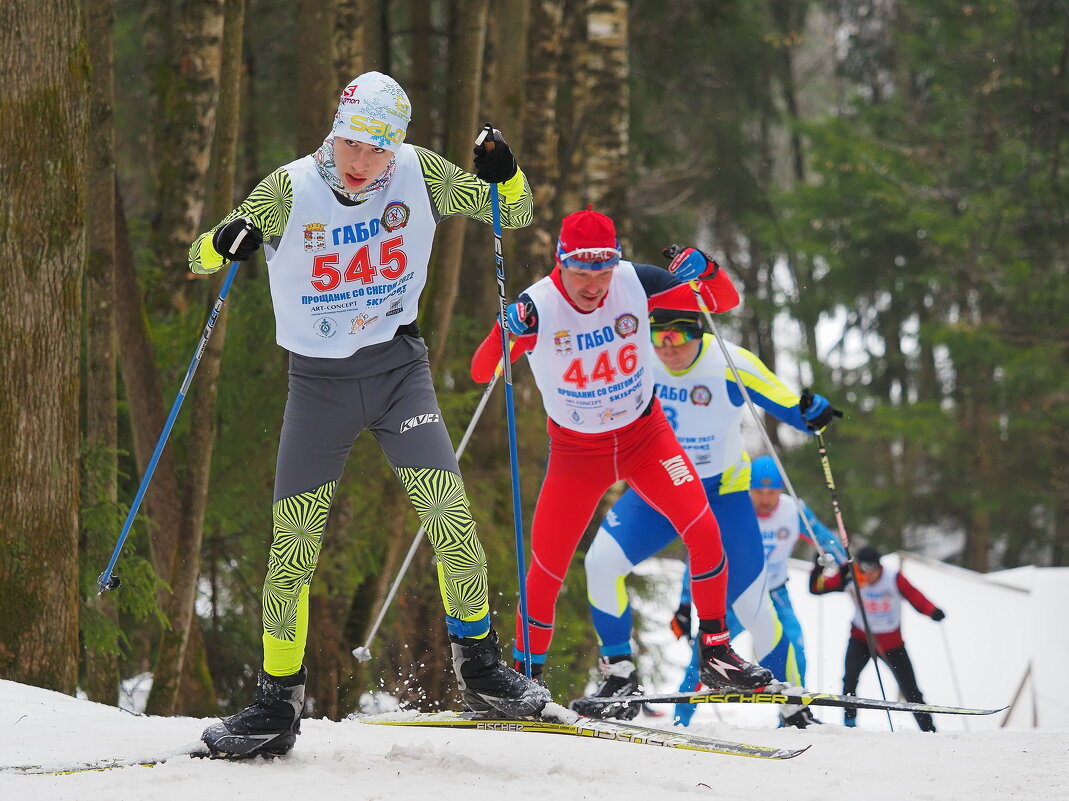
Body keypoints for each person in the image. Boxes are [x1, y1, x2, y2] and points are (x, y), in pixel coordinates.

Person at [189, 71, 549, 758]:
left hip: (396, 372)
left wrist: (507, 176)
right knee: (291, 549)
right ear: (335, 129)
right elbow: (200, 257)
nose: (360, 163)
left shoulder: (420, 173)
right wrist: (223, 239)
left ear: (397, 148)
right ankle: (275, 702)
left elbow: (516, 212)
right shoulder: (289, 186)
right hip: (318, 386)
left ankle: (479, 668)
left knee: (450, 518)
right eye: (352, 143)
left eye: (376, 151)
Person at [469, 209, 775, 706]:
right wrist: (503, 329)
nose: (593, 286)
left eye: (603, 271)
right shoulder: (540, 306)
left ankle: (716, 653)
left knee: (703, 531)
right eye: (582, 273)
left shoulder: (637, 282)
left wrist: (707, 269)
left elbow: (724, 301)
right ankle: (525, 678)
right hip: (577, 453)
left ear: (616, 262)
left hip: (646, 439)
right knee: (547, 567)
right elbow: (484, 372)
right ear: (560, 262)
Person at [578, 309, 842, 727]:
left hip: (722, 495)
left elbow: (790, 405)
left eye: (679, 337)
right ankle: (621, 676)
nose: (669, 348)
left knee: (754, 609)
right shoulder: (637, 356)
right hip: (658, 488)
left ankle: (793, 705)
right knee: (600, 563)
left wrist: (810, 413)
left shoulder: (728, 362)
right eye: (659, 337)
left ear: (698, 333)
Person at [810, 545, 945, 731]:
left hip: (891, 643)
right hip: (861, 638)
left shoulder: (893, 577)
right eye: (864, 570)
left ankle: (929, 729)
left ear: (879, 566)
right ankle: (849, 724)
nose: (869, 575)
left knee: (910, 688)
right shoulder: (851, 576)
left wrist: (932, 611)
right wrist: (818, 567)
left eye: (872, 569)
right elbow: (816, 588)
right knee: (850, 680)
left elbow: (915, 596)